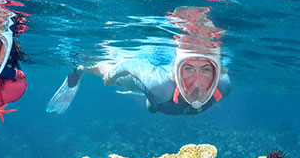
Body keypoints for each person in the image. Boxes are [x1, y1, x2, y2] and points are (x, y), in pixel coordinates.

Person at [47, 7, 231, 115]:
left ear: (217, 73)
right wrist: (111, 76)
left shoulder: (223, 86)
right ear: (176, 72)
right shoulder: (160, 84)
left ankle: (150, 100)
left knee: (153, 106)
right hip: (140, 81)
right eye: (189, 69)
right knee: (108, 72)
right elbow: (130, 65)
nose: (197, 83)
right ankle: (79, 69)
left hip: (159, 98)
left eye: (206, 70)